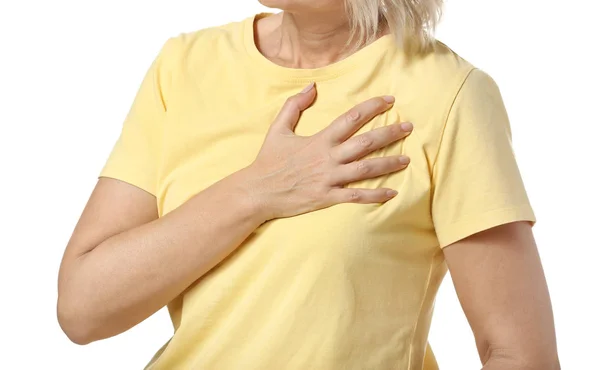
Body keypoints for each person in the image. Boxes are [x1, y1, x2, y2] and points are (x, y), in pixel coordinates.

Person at [56, 1, 560, 369]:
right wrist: (256, 191)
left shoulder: (448, 95)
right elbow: (82, 310)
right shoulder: (184, 66)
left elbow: (519, 352)